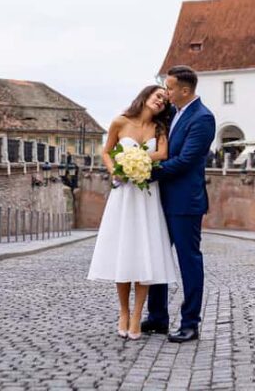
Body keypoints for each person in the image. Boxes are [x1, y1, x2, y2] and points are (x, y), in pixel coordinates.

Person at [86, 85, 178, 340]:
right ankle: (124, 312)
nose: (161, 101)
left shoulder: (160, 128)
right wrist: (115, 169)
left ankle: (138, 315)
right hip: (123, 194)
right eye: (158, 95)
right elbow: (106, 152)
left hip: (147, 195)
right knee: (123, 251)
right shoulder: (120, 121)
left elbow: (163, 153)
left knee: (144, 252)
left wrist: (137, 159)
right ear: (146, 95)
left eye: (165, 100)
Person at [142, 65, 216, 343]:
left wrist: (146, 172)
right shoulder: (174, 113)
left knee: (189, 262)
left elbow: (186, 161)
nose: (166, 92)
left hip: (186, 202)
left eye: (170, 88)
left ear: (185, 90)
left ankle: (190, 323)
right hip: (161, 199)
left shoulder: (203, 118)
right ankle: (158, 317)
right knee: (158, 256)